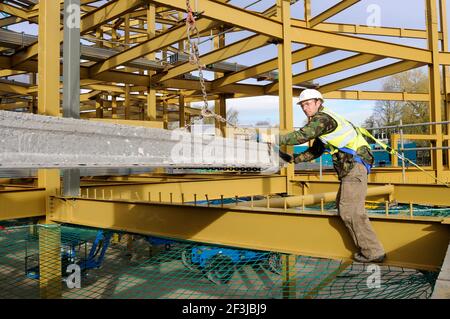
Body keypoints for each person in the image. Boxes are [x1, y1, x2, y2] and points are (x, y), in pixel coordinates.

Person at [278, 89, 386, 263]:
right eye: (302, 105)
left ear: (318, 102)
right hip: (351, 168)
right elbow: (316, 150)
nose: (305, 108)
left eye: (308, 104)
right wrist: (292, 159)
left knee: (350, 211)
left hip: (354, 166)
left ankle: (373, 252)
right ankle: (366, 247)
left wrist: (275, 139)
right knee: (344, 207)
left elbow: (302, 135)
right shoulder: (325, 122)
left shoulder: (323, 119)